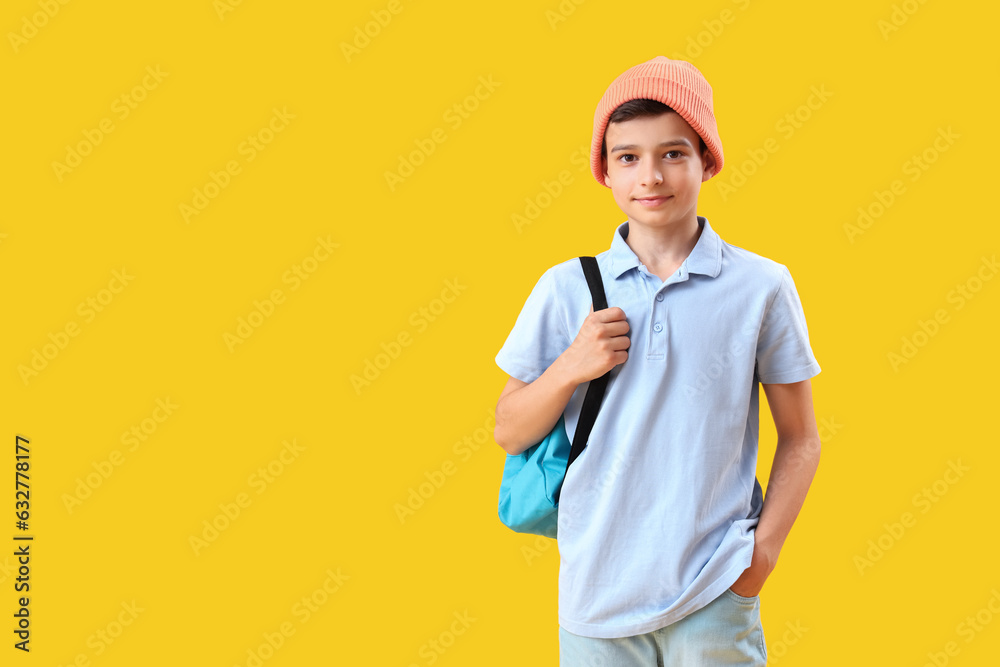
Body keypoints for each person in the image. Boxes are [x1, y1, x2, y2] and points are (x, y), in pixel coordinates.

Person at [493, 56, 823, 666]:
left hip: (715, 590)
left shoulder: (761, 286)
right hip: (595, 597)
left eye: (673, 153)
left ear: (706, 161)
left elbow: (801, 438)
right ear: (606, 172)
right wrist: (570, 366)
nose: (651, 175)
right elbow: (508, 429)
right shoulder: (565, 288)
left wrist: (762, 556)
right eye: (628, 157)